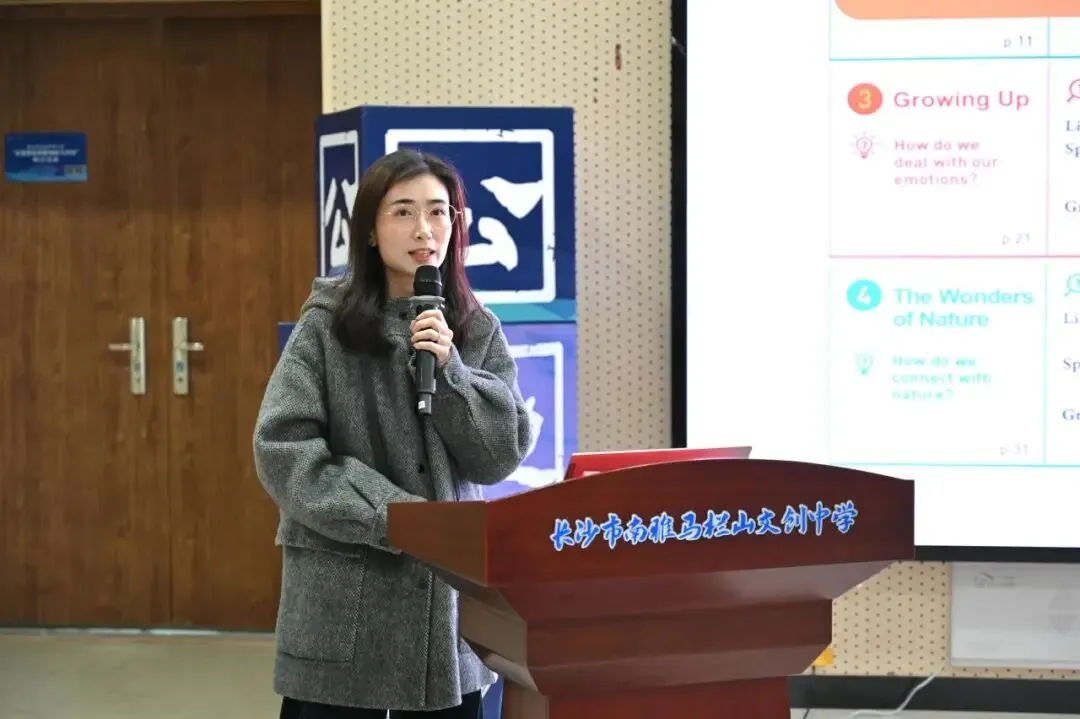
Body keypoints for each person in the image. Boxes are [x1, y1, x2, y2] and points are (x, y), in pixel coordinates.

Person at [253, 149, 533, 718]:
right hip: (343, 605)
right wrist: (396, 518)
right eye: (403, 212)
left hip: (445, 621)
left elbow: (498, 457)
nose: (424, 229)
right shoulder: (326, 325)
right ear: (370, 231)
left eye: (438, 211)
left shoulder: (475, 329)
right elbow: (283, 449)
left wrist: (451, 372)